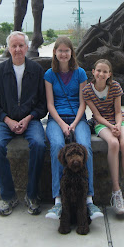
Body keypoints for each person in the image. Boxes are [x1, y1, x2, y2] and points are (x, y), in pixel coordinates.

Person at [0, 31, 47, 216]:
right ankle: (9, 196)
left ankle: (31, 195)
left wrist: (29, 118)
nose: (18, 49)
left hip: (31, 120)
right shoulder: (0, 71)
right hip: (6, 121)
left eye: (21, 45)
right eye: (14, 46)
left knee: (39, 144)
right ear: (8, 48)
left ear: (27, 47)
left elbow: (43, 104)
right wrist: (7, 119)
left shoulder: (36, 71)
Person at [44, 36, 103, 220]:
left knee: (86, 146)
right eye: (60, 50)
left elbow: (82, 103)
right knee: (56, 147)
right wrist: (62, 124)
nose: (63, 54)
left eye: (66, 51)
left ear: (72, 53)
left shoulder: (80, 73)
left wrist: (74, 124)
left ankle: (89, 200)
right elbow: (50, 105)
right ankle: (58, 201)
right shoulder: (49, 74)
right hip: (56, 120)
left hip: (78, 119)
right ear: (55, 52)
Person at [82, 59, 124, 215]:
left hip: (119, 121)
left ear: (109, 74)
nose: (101, 74)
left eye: (105, 71)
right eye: (98, 70)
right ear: (93, 72)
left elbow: (118, 111)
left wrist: (118, 125)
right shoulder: (87, 90)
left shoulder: (115, 87)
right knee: (113, 144)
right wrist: (110, 126)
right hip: (102, 123)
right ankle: (116, 192)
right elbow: (97, 115)